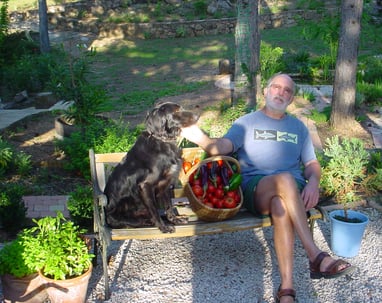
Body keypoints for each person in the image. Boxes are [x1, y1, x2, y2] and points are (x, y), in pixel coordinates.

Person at [180, 73, 354, 303]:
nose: (280, 93)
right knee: (285, 180)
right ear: (265, 91)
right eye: (276, 87)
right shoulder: (246, 122)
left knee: (280, 205)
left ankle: (287, 289)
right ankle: (315, 255)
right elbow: (223, 145)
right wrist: (203, 139)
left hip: (290, 194)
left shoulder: (299, 128)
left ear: (291, 99)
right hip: (256, 189)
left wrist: (313, 182)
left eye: (287, 91)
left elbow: (312, 164)